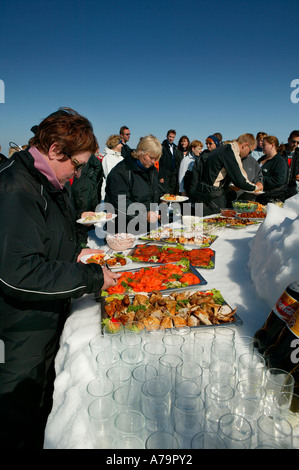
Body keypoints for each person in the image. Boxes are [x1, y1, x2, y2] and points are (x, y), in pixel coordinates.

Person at [0, 107, 120, 449]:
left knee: (42, 407)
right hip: (18, 327)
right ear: (54, 150)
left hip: (41, 317)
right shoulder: (16, 188)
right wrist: (90, 276)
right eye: (77, 165)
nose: (79, 175)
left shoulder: (43, 180)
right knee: (15, 414)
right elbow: (17, 272)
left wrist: (72, 254)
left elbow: (43, 241)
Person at [189, 133, 263, 215]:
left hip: (206, 192)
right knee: (214, 223)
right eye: (250, 151)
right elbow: (241, 180)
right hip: (213, 195)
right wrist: (256, 187)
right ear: (245, 145)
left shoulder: (223, 149)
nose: (248, 154)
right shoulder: (231, 152)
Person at [105, 134, 164, 233]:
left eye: (156, 158)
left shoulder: (152, 170)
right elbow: (120, 203)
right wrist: (144, 215)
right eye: (151, 157)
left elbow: (150, 192)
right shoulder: (121, 172)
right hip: (124, 230)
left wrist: (162, 197)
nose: (153, 161)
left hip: (146, 228)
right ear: (140, 151)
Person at [256, 135, 288, 204]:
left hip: (272, 198)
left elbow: (279, 180)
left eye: (264, 145)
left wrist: (260, 180)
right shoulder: (261, 159)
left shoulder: (279, 161)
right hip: (259, 197)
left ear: (272, 145)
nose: (262, 146)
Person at [158, 129, 183, 194]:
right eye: (170, 136)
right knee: (165, 192)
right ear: (166, 136)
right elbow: (159, 163)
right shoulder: (162, 147)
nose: (171, 138)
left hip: (173, 174)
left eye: (173, 137)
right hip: (165, 174)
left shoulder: (175, 148)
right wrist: (161, 176)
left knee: (173, 192)